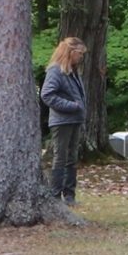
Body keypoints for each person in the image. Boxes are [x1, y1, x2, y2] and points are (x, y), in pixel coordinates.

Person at [40, 38, 86, 202]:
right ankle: (55, 195)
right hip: (62, 120)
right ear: (70, 52)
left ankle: (69, 195)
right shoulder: (55, 71)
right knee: (60, 157)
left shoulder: (73, 72)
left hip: (75, 120)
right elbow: (47, 94)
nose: (81, 57)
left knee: (72, 157)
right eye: (79, 53)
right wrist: (71, 106)